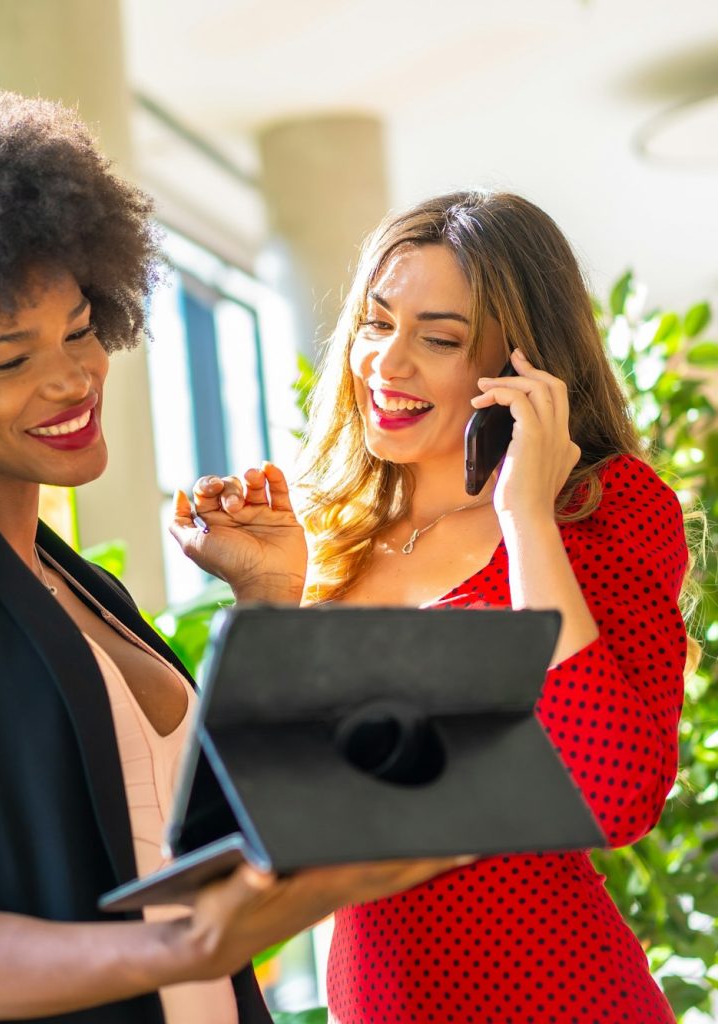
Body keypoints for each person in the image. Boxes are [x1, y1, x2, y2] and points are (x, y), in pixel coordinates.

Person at [0, 91, 464, 1024]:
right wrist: (185, 943)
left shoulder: (81, 585)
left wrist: (265, 598)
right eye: (11, 359)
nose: (70, 377)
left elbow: (218, 846)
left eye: (81, 329)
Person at [172, 191, 689, 1023]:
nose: (387, 363)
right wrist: (271, 597)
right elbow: (270, 836)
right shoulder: (326, 531)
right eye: (377, 324)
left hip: (559, 999)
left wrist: (525, 518)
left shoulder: (600, 508)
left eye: (439, 339)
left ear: (519, 366)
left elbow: (614, 793)